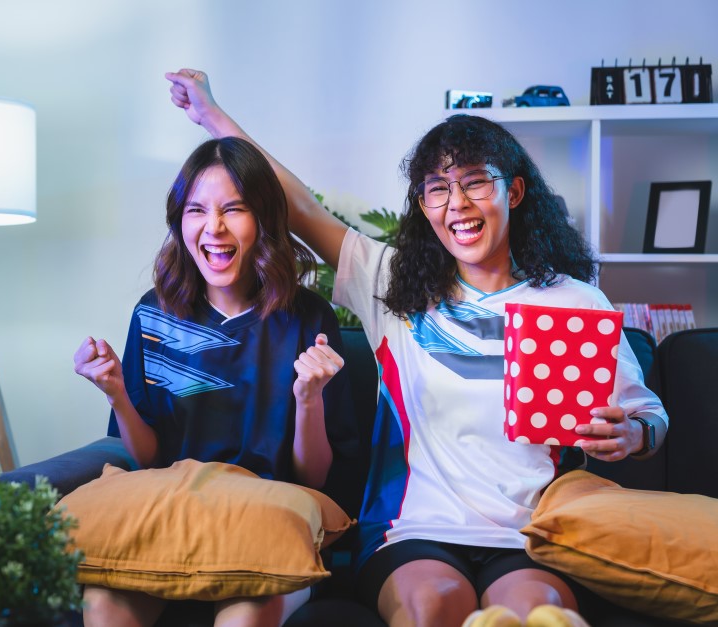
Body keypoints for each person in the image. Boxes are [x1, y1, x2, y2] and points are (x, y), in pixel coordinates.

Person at [164, 68, 669, 627]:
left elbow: (650, 416)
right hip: (414, 530)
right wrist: (211, 115)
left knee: (536, 613)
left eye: (476, 182)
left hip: (531, 532)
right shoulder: (394, 286)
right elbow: (300, 208)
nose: (457, 202)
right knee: (432, 609)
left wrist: (634, 433)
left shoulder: (576, 301)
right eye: (437, 188)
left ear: (514, 191)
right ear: (425, 206)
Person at [73, 135, 359, 627]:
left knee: (248, 617)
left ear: (264, 219)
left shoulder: (306, 318)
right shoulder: (156, 313)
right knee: (102, 607)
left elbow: (313, 479)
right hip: (171, 519)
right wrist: (117, 393)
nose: (214, 228)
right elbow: (146, 458)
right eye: (196, 210)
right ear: (179, 220)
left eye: (234, 209)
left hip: (264, 528)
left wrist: (308, 399)